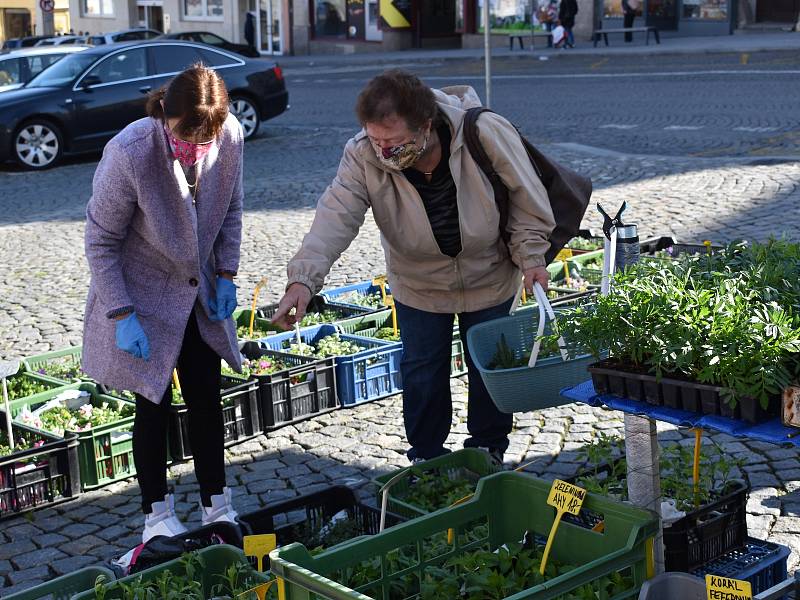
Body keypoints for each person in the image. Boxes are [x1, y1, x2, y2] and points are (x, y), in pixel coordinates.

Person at [272, 71, 555, 465]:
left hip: (489, 273)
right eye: (376, 140)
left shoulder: (482, 131)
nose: (384, 150)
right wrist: (303, 280)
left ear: (425, 126)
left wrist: (532, 257)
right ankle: (427, 456)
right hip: (419, 283)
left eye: (394, 141)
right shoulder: (362, 154)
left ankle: (489, 449)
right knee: (422, 371)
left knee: (489, 365)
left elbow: (527, 197)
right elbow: (335, 217)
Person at [83, 64, 244, 543]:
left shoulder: (230, 136)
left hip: (200, 293)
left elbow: (232, 207)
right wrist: (121, 313)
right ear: (165, 115)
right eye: (185, 137)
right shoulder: (131, 151)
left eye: (205, 140)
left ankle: (217, 503)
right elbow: (101, 240)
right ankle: (156, 512)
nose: (195, 149)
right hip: (143, 295)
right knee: (152, 405)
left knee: (206, 398)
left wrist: (227, 273)